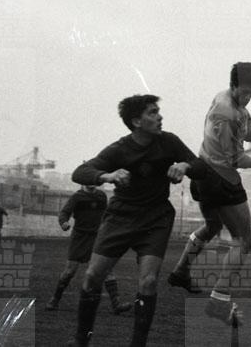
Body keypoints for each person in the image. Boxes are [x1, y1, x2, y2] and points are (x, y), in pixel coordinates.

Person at [68, 94, 207, 347]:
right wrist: (107, 175)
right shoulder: (119, 149)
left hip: (156, 218)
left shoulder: (169, 141)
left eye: (158, 111)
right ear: (136, 121)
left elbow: (200, 166)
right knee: (92, 277)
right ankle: (80, 339)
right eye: (152, 112)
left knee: (149, 281)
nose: (160, 116)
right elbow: (80, 173)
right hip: (120, 216)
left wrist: (185, 166)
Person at [168, 62, 251, 325]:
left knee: (212, 226)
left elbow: (244, 135)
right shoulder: (228, 114)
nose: (249, 97)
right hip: (222, 180)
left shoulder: (227, 100)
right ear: (233, 85)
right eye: (245, 91)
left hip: (203, 173)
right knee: (244, 240)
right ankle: (219, 301)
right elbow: (236, 159)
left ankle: (181, 271)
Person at [45, 184, 131, 315]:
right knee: (69, 271)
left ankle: (116, 304)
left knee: (106, 269)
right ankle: (55, 300)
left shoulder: (101, 196)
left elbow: (106, 214)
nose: (91, 182)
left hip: (97, 237)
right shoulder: (77, 197)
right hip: (80, 237)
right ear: (83, 181)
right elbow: (64, 212)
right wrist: (64, 222)